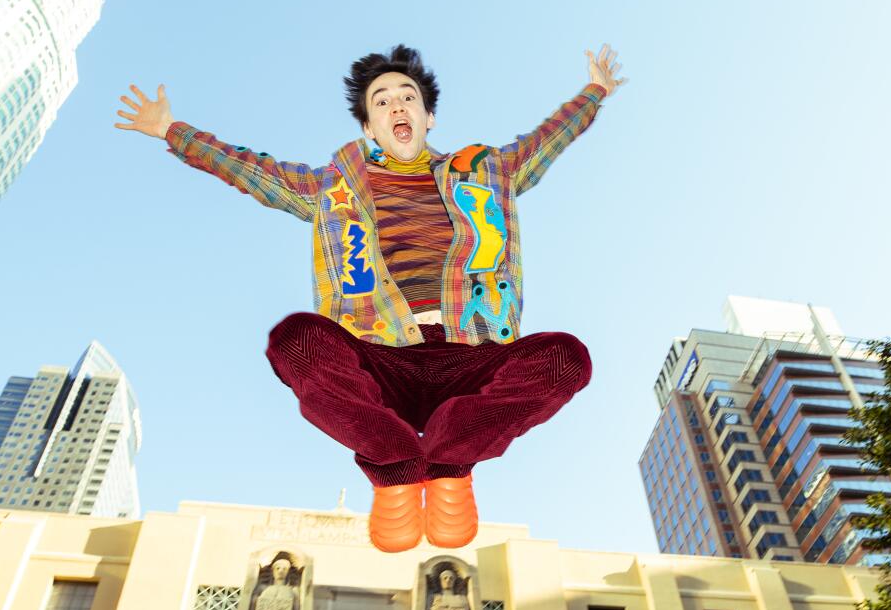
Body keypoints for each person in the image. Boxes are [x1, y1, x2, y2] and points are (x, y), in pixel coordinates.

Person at [115, 44, 625, 552]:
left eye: (408, 97)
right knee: (295, 340)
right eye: (381, 102)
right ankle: (395, 464)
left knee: (565, 358)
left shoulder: (489, 172)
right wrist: (171, 130)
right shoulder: (330, 186)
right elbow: (254, 172)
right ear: (368, 127)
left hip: (472, 354)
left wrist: (595, 91)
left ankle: (449, 462)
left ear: (429, 117)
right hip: (378, 358)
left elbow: (546, 140)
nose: (397, 107)